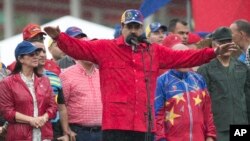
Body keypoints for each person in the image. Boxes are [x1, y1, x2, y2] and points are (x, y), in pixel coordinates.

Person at [44, 9, 235, 141]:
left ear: (142, 28)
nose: (133, 30)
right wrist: (58, 37)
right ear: (122, 27)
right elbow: (79, 48)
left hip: (144, 124)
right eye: (130, 26)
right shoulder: (106, 48)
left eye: (137, 26)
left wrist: (213, 52)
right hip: (116, 125)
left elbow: (184, 57)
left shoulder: (152, 51)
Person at [197, 27, 250, 141]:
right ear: (214, 44)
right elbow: (202, 103)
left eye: (228, 42)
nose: (226, 45)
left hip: (241, 125)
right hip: (218, 127)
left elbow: (248, 97)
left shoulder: (242, 67)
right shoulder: (205, 69)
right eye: (222, 42)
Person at [154, 44, 216, 141]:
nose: (185, 60)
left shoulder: (199, 79)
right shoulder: (161, 82)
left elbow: (207, 112)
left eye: (187, 56)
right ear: (172, 58)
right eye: (181, 57)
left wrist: (210, 136)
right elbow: (157, 116)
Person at [0, 41, 57, 141]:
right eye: (31, 54)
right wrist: (31, 120)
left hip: (44, 135)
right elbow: (7, 112)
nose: (36, 57)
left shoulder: (45, 80)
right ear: (20, 59)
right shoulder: (7, 83)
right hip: (19, 136)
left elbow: (53, 106)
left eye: (36, 54)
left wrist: (44, 118)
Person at [32, 42, 75, 141]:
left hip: (54, 127)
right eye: (37, 52)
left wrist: (65, 131)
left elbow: (62, 107)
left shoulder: (54, 77)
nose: (42, 55)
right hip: (31, 126)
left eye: (43, 51)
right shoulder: (22, 79)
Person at [60, 59, 102, 141]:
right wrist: (66, 129)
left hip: (102, 132)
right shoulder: (66, 75)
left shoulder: (102, 74)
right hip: (78, 132)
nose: (89, 54)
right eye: (86, 50)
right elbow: (60, 105)